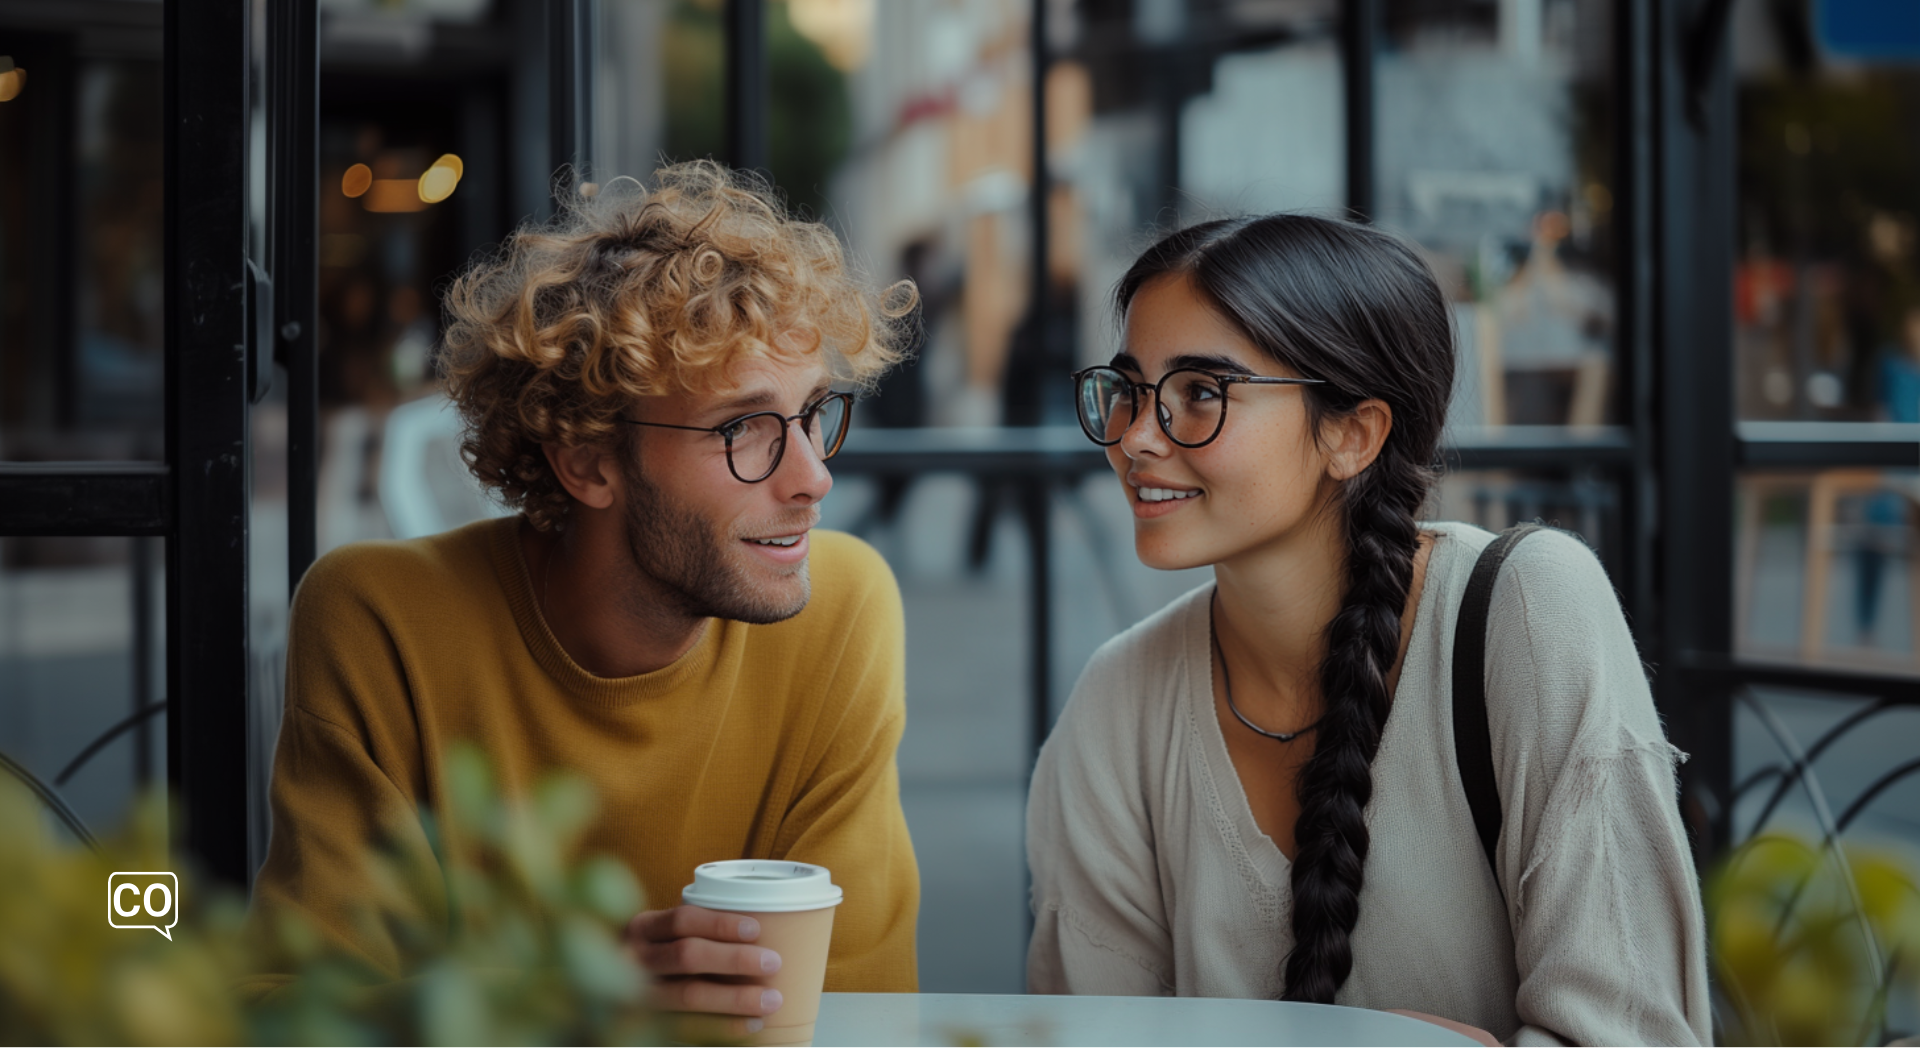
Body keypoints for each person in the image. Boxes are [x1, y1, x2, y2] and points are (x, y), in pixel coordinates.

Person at [249, 162, 921, 1034]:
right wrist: (572, 1001)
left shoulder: (841, 609)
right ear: (589, 461)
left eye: (811, 414)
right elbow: (292, 1018)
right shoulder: (381, 624)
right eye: (744, 429)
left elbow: (861, 1015)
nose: (814, 477)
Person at [1027, 214, 1710, 1046]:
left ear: (1352, 434)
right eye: (1130, 390)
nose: (1135, 437)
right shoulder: (1118, 699)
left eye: (1200, 394)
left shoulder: (1526, 611)